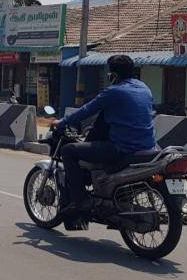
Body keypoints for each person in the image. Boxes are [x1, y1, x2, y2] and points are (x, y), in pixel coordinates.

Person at [53, 54, 157, 214]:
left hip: (121, 148)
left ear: (113, 75)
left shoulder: (113, 92)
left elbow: (86, 110)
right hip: (148, 147)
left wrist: (62, 122)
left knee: (68, 150)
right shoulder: (146, 89)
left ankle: (81, 200)